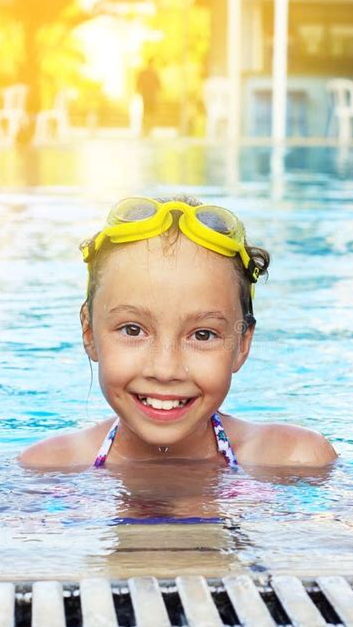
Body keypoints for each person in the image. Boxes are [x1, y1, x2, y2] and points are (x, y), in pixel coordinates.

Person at [19, 195, 336, 470]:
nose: (165, 370)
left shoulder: (292, 461)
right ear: (89, 333)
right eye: (133, 330)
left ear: (242, 344)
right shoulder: (47, 469)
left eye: (202, 335)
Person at [136, 59, 161, 135]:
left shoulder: (146, 73)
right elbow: (159, 84)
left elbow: (138, 83)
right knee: (148, 111)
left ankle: (147, 128)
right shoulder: (153, 73)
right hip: (149, 95)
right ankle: (147, 128)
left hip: (147, 95)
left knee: (147, 111)